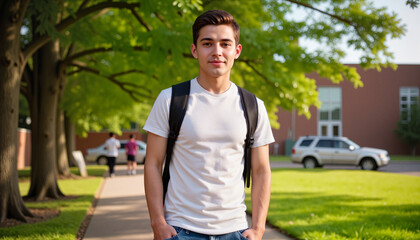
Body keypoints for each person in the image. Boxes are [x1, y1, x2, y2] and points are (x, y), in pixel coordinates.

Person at [143, 9, 274, 240]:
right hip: (180, 230)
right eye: (207, 43)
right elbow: (153, 163)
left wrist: (259, 228)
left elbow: (262, 170)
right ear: (195, 50)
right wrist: (158, 223)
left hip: (235, 231)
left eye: (225, 44)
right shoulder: (170, 99)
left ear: (237, 50)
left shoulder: (253, 106)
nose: (217, 52)